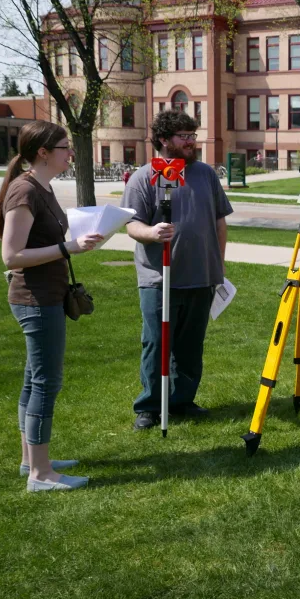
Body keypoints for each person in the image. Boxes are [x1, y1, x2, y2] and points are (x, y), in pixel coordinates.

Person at [0, 121, 103, 492]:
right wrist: (67, 248)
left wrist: (80, 238)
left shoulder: (43, 188)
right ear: (43, 153)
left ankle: (31, 460)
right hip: (34, 299)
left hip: (48, 295)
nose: (71, 153)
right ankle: (41, 475)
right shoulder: (25, 191)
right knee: (45, 382)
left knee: (33, 379)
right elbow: (12, 255)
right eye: (64, 147)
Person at [122, 110, 233, 430]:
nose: (191, 142)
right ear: (164, 140)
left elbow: (219, 222)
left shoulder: (206, 175)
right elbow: (132, 225)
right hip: (159, 278)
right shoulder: (144, 177)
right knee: (157, 342)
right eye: (184, 137)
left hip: (201, 275)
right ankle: (150, 406)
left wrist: (218, 262)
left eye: (192, 136)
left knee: (190, 345)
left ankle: (182, 399)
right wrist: (152, 233)